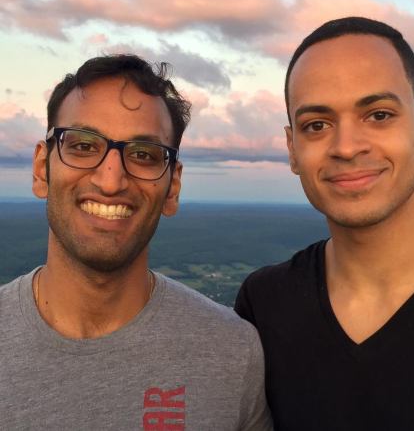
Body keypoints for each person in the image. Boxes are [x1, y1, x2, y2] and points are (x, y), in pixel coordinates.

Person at [235, 17, 414, 430]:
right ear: (292, 149)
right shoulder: (265, 304)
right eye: (316, 125)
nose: (346, 146)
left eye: (378, 114)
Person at [0, 55, 272, 430]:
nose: (111, 180)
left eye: (144, 155)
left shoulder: (232, 353)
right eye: (82, 146)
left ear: (172, 187)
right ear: (41, 168)